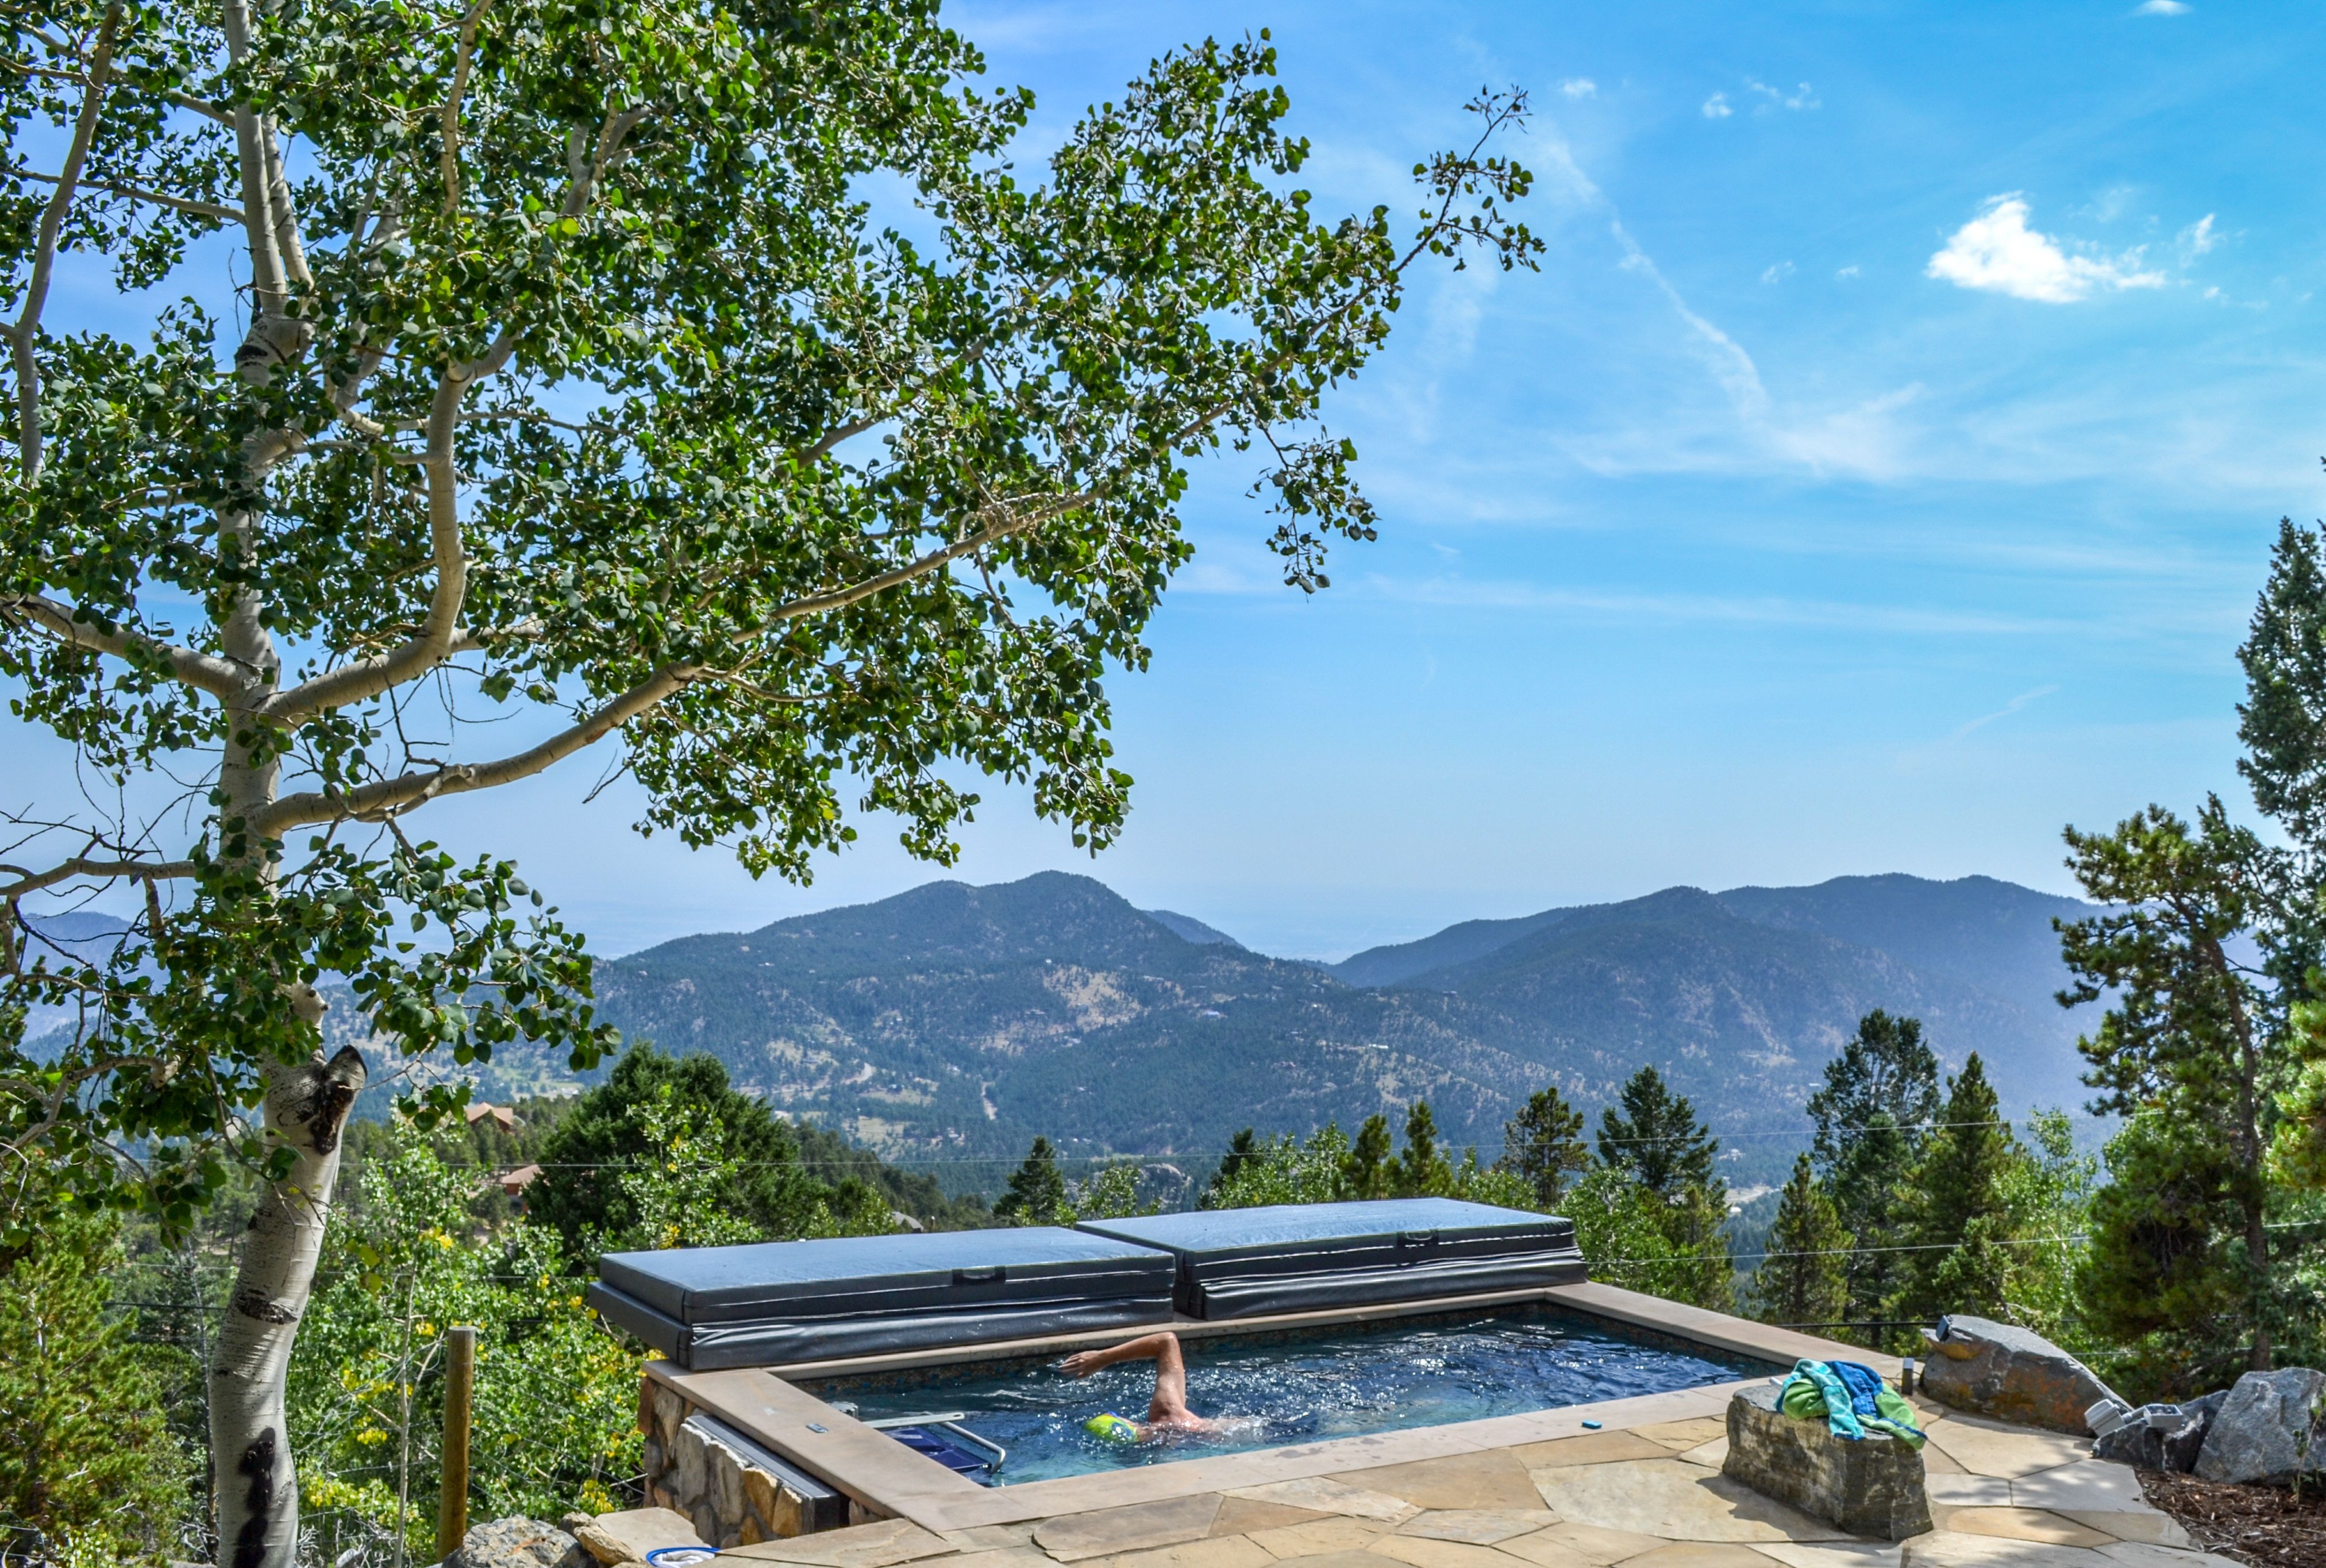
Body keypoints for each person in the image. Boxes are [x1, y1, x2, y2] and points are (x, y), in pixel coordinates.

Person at [1061, 1331, 1219, 1436]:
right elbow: (1166, 1341)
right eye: (1116, 1417)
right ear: (1127, 1426)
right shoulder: (1168, 1411)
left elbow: (1166, 1341)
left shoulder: (1168, 1423)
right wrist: (1102, 1358)